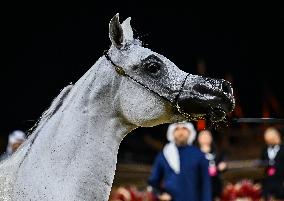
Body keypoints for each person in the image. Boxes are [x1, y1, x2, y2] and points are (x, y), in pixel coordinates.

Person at [147, 122, 211, 201]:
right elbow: (153, 181)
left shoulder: (199, 155)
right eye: (177, 129)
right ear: (172, 132)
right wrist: (160, 194)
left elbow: (205, 184)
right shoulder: (164, 154)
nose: (181, 132)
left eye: (184, 128)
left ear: (190, 132)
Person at [196, 129, 227, 200]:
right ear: (198, 138)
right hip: (201, 188)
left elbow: (223, 165)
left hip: (215, 187)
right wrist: (216, 169)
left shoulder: (217, 152)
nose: (205, 137)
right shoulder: (195, 154)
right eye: (203, 135)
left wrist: (224, 166)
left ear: (211, 138)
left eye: (207, 135)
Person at [260, 127, 284, 200]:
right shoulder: (264, 149)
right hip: (268, 180)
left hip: (280, 180)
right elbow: (262, 163)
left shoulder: (283, 149)